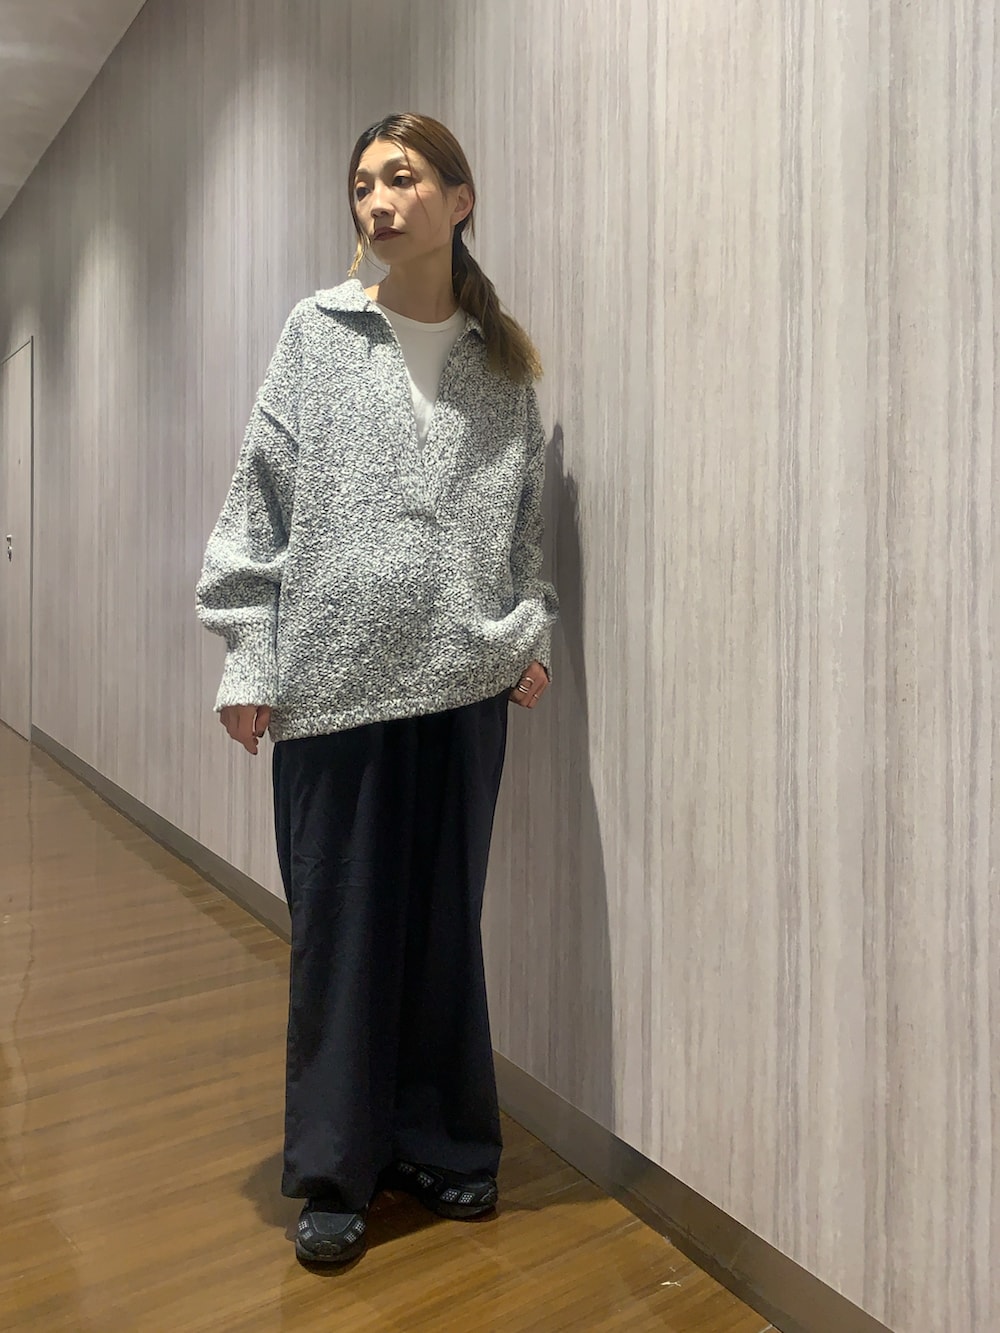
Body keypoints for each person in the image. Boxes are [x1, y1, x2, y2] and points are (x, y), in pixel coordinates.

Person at [195, 112, 559, 1267]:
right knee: (343, 937)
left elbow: (524, 523)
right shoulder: (318, 332)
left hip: (463, 688)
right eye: (361, 184)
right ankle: (337, 1167)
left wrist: (528, 632)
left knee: (444, 931)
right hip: (334, 685)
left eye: (401, 178)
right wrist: (248, 654)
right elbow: (259, 498)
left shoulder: (503, 364)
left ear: (459, 199)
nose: (377, 201)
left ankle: (444, 1145)